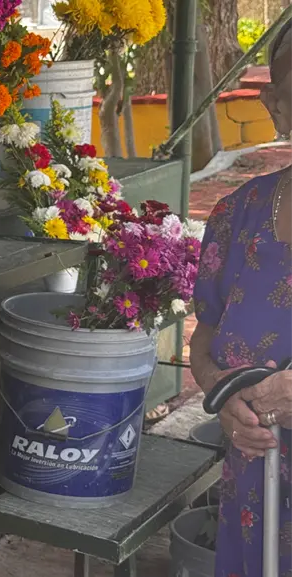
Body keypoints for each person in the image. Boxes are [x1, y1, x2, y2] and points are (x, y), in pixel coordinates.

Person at [191, 17, 292, 577]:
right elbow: (204, 339)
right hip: (256, 494)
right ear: (276, 105)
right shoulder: (236, 216)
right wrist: (222, 400)